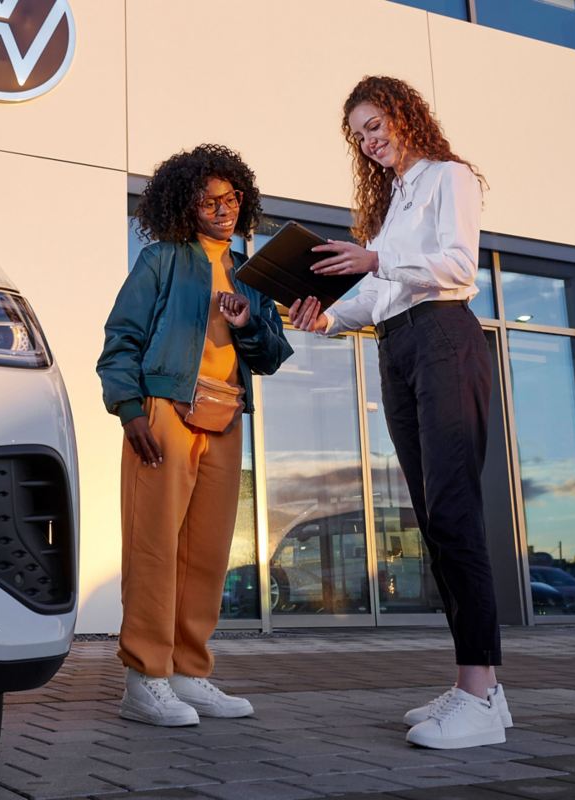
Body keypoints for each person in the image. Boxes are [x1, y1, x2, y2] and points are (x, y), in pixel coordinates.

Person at [288, 75, 513, 750]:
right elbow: (380, 298)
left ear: (406, 115)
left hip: (445, 336)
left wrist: (377, 255)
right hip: (400, 346)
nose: (370, 140)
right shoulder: (392, 204)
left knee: (454, 512)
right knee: (433, 518)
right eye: (359, 134)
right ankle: (482, 689)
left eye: (376, 123)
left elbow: (456, 265)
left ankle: (480, 691)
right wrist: (325, 315)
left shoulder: (449, 178)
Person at [97, 144, 293, 727]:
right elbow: (121, 338)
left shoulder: (253, 275)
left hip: (225, 417)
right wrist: (130, 410)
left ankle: (188, 674)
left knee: (206, 554)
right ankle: (144, 680)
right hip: (163, 411)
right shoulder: (161, 259)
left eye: (231, 197)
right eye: (208, 199)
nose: (222, 208)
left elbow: (274, 353)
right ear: (186, 204)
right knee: (154, 547)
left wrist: (247, 321)